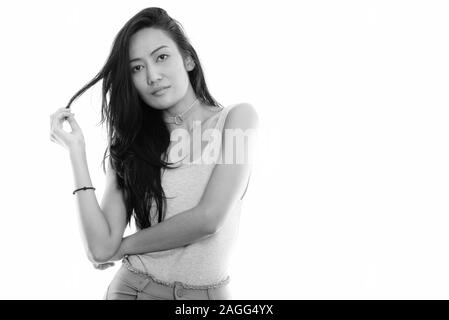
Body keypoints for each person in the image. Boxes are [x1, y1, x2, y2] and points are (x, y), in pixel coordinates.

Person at [49, 7, 258, 300]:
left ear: (188, 59)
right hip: (134, 290)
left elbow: (209, 219)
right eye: (137, 67)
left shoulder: (237, 121)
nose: (152, 76)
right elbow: (99, 248)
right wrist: (76, 151)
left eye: (161, 57)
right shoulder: (132, 146)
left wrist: (122, 247)